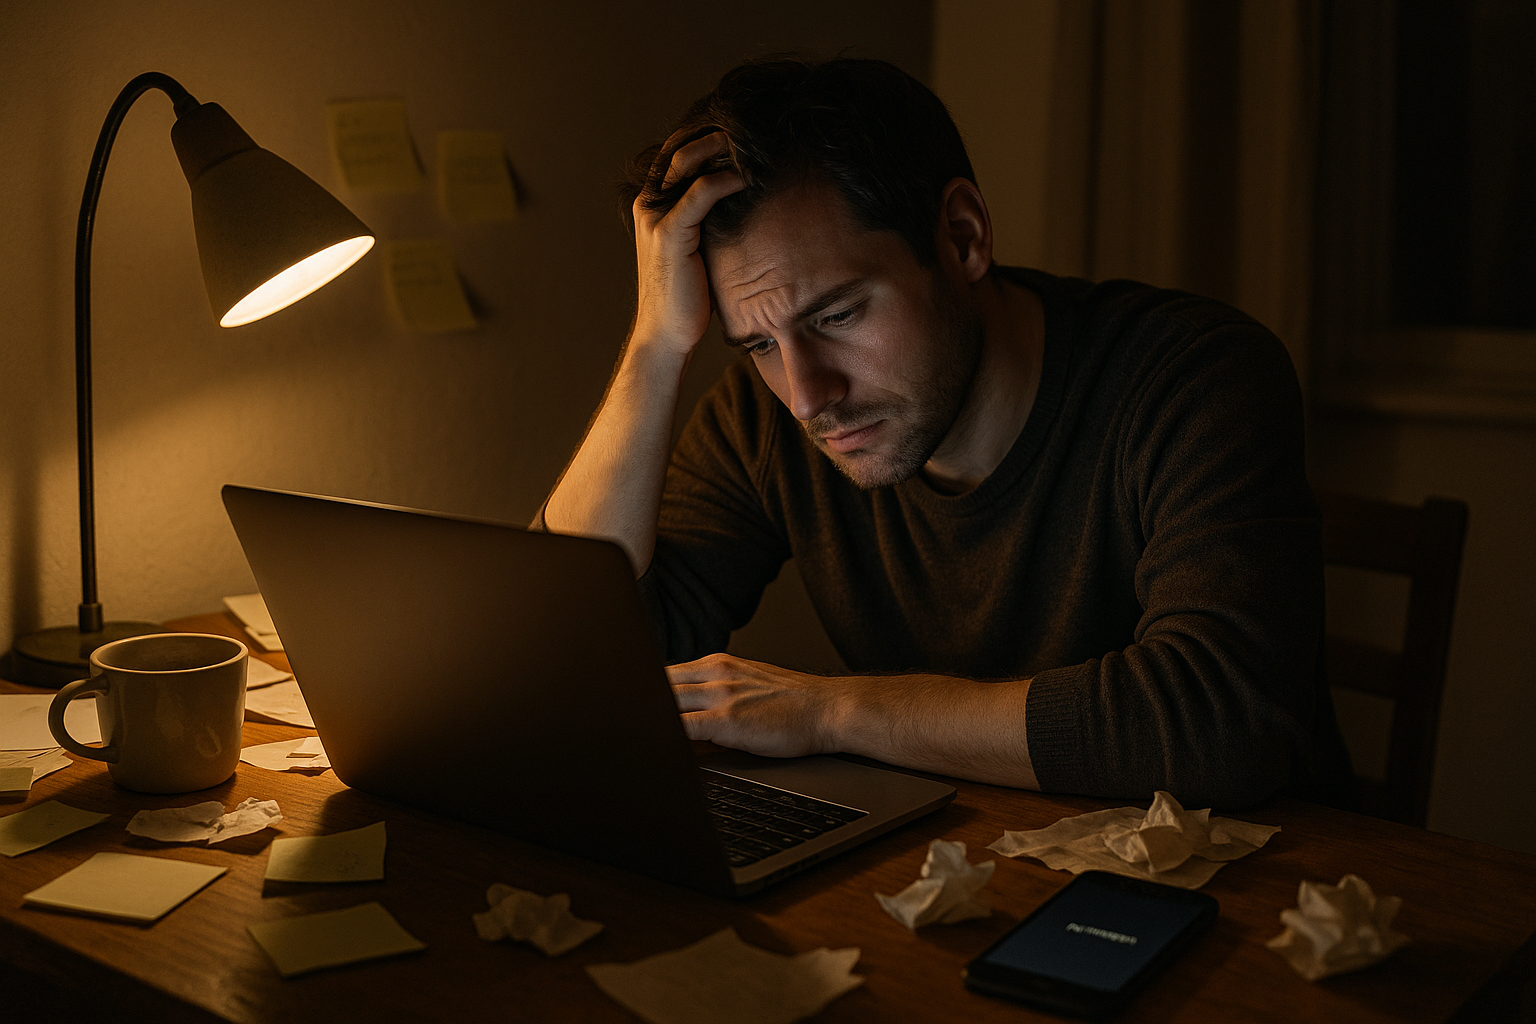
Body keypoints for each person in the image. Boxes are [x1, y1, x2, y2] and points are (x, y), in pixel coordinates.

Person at [538, 56, 1351, 809]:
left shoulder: (1192, 376)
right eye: (757, 345)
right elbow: (572, 655)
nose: (808, 394)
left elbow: (1215, 727)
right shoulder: (765, 417)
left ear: (962, 236)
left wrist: (830, 712)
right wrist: (654, 346)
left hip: (1247, 898)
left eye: (839, 314)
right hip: (967, 866)